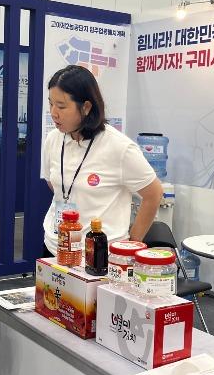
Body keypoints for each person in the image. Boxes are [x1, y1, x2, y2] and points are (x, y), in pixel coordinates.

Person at [41, 65, 163, 256]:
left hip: (98, 255)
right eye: (51, 104)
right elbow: (53, 183)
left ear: (86, 107)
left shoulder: (119, 147)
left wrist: (132, 243)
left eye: (62, 106)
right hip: (55, 247)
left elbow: (154, 193)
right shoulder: (53, 139)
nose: (53, 113)